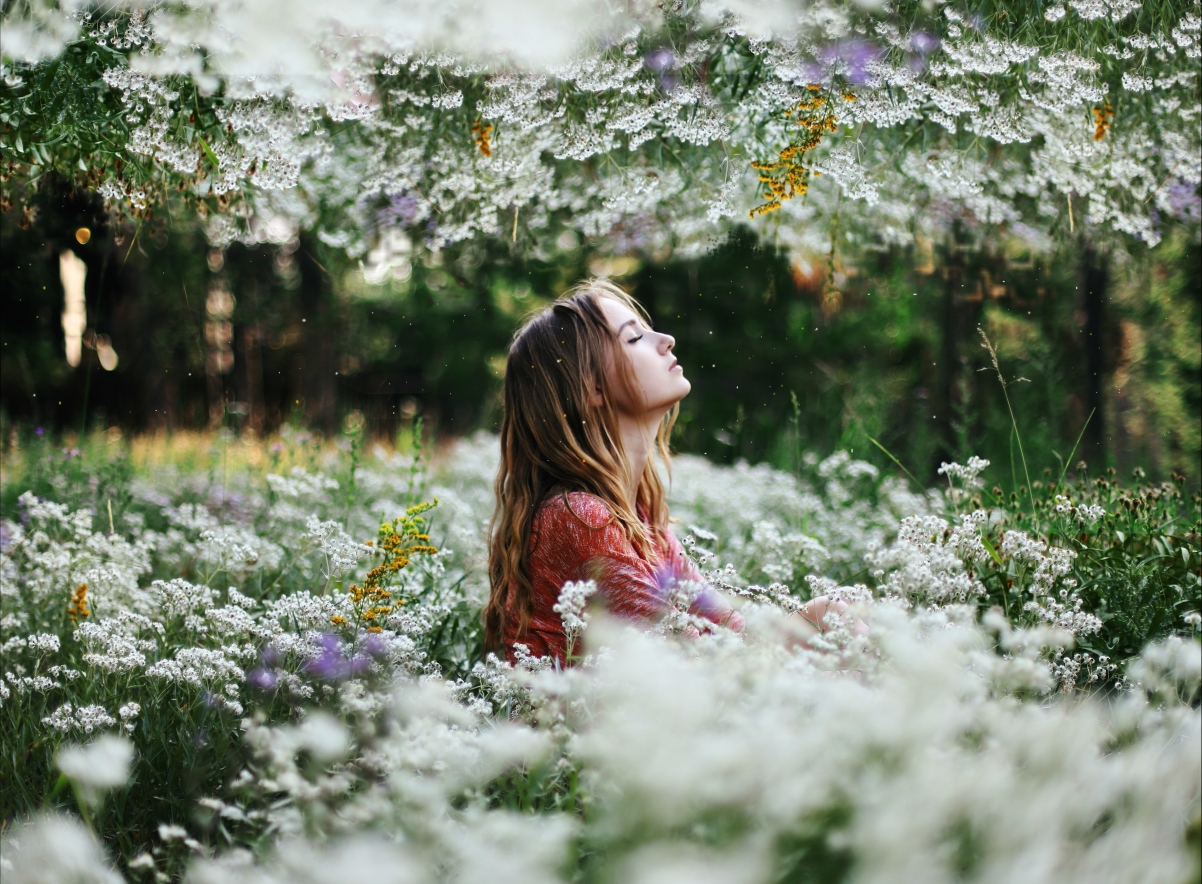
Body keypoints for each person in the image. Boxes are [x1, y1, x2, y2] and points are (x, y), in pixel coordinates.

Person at [484, 278, 853, 665]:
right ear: (592, 387)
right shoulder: (580, 519)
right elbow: (698, 661)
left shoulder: (641, 518)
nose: (666, 340)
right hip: (593, 723)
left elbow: (732, 632)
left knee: (831, 617)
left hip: (669, 704)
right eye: (634, 338)